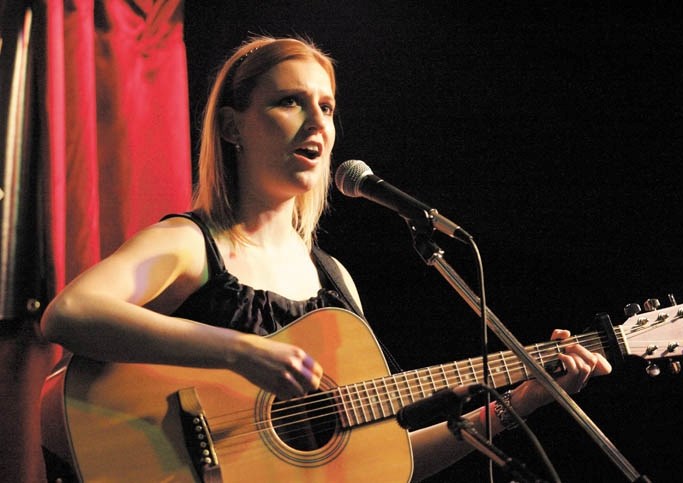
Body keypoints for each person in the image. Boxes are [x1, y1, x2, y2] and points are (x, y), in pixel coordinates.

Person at [40, 35, 611, 481]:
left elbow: (382, 463)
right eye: (290, 102)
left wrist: (518, 405)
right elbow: (69, 313)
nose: (317, 122)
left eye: (327, 106)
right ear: (233, 126)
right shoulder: (195, 244)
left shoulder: (332, 280)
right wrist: (240, 353)